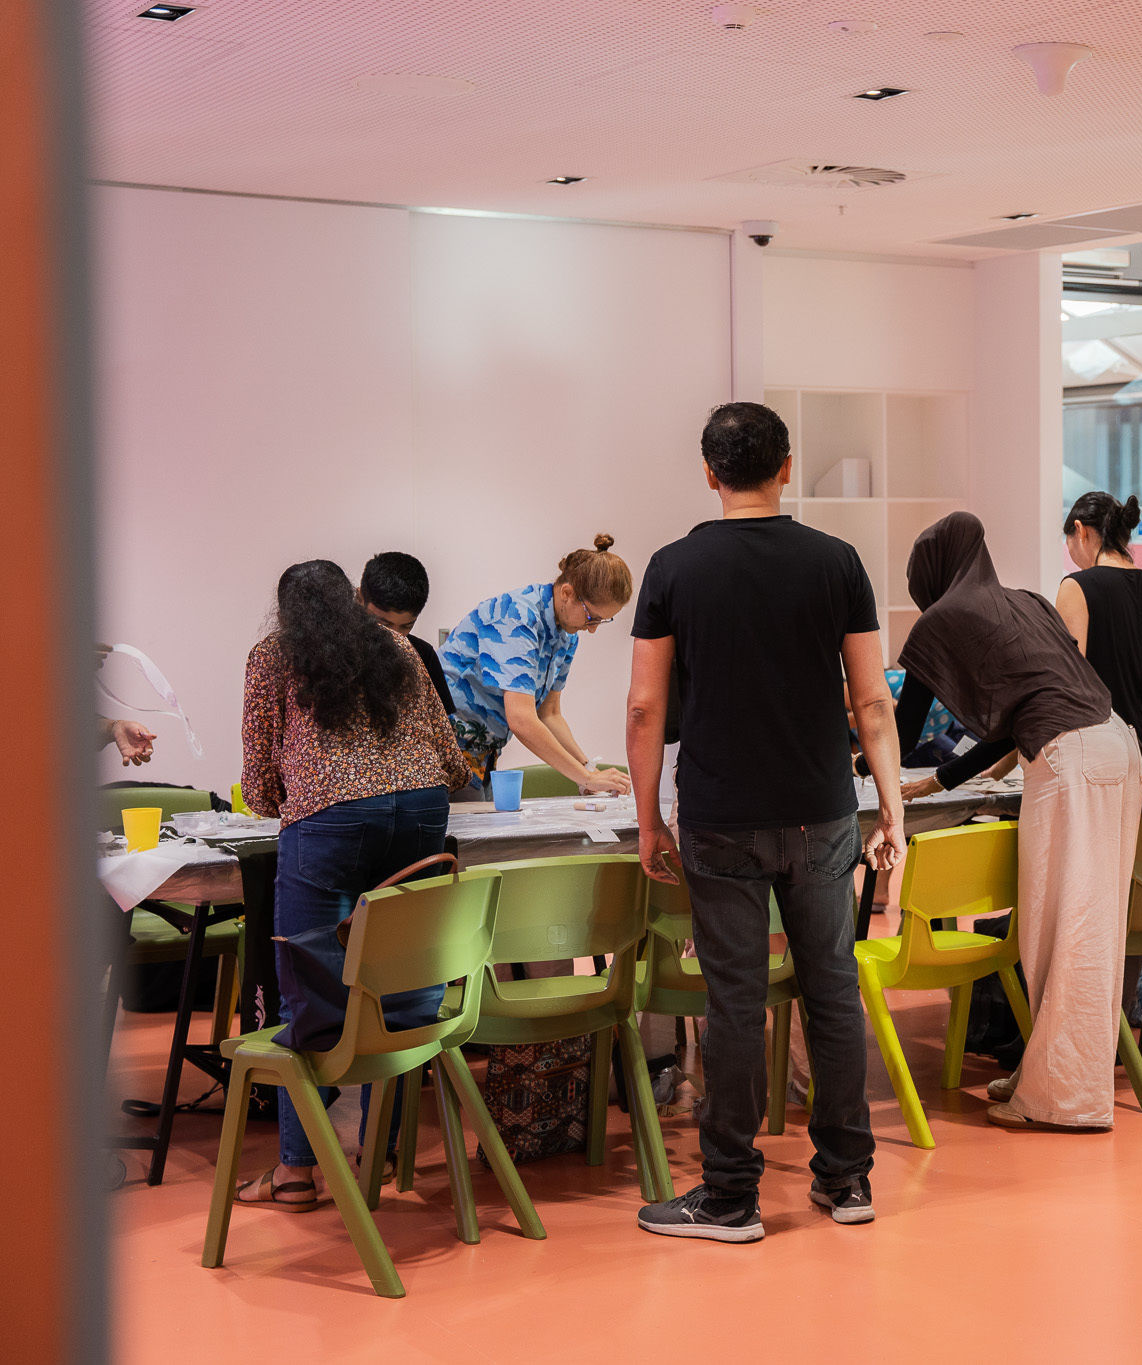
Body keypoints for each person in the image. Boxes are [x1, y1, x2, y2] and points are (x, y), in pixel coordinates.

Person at [627, 401, 905, 1242]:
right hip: (823, 812)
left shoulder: (674, 567)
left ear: (710, 473)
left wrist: (647, 821)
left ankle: (730, 1196)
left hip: (719, 817)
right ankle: (847, 1179)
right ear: (787, 466)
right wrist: (889, 804)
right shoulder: (838, 562)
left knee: (736, 1004)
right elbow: (871, 700)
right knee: (832, 989)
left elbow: (645, 707)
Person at [894, 512, 1142, 1133]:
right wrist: (946, 779)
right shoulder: (1026, 601)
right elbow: (1013, 720)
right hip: (1116, 745)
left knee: (1063, 930)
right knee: (1092, 927)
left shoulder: (941, 620)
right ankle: (1051, 1073)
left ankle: (1066, 1098)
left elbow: (900, 731)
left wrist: (854, 758)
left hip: (1071, 758)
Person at [236, 560, 471, 1209]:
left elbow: (258, 782)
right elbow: (452, 760)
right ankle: (380, 1154)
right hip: (423, 810)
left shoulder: (274, 654)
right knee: (397, 987)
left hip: (330, 819)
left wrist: (301, 793)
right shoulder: (397, 647)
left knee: (308, 995)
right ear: (354, 598)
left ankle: (295, 1171)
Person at [439, 536, 636, 800]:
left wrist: (587, 769)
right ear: (566, 593)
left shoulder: (567, 633)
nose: (593, 629)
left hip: (484, 752)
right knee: (467, 838)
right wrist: (586, 777)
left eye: (603, 620)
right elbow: (521, 719)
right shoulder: (516, 618)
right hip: (444, 749)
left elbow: (549, 714)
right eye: (592, 617)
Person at [1054, 491, 1142, 802]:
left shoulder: (1076, 587)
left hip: (1102, 768)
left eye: (1068, 540)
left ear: (1080, 530)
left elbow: (1068, 690)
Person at [358, 551, 454, 715]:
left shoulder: (423, 655)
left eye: (406, 626)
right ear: (360, 598)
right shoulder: (338, 653)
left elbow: (443, 725)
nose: (395, 637)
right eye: (383, 624)